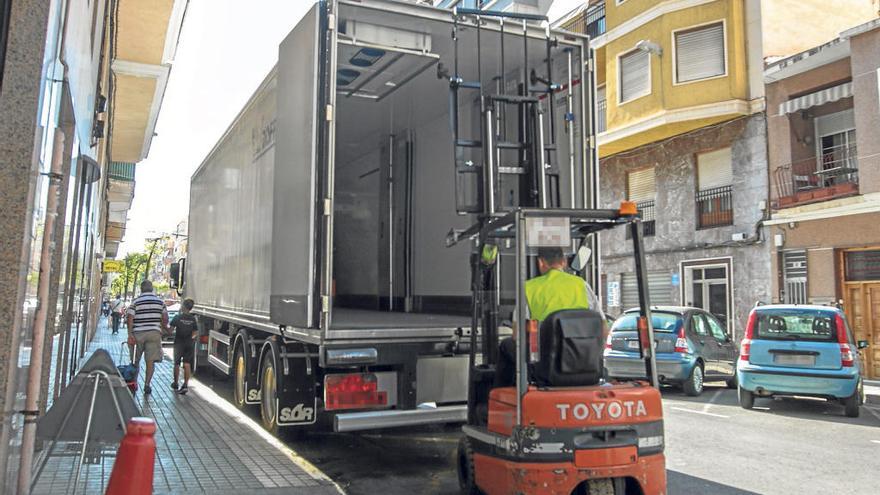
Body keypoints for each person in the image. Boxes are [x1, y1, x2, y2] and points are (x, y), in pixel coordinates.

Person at [495, 247, 601, 387]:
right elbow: (603, 327)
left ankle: (503, 396)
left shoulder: (529, 288)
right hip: (587, 365)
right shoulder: (582, 285)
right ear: (563, 262)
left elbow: (517, 335)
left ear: (541, 262)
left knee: (506, 345)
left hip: (547, 367)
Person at [127, 280, 168, 395]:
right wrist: (163, 329)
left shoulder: (136, 301)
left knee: (135, 360)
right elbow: (165, 319)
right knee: (150, 362)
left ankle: (133, 382)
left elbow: (130, 318)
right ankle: (147, 384)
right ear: (152, 289)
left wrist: (130, 334)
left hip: (138, 334)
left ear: (141, 289)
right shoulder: (160, 302)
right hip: (154, 334)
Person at [169, 298, 197, 394]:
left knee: (176, 363)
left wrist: (163, 327)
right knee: (187, 363)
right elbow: (195, 332)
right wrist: (190, 338)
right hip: (189, 343)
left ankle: (176, 383)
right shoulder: (193, 319)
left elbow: (170, 330)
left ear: (183, 306)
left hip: (178, 343)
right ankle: (185, 385)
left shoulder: (177, 317)